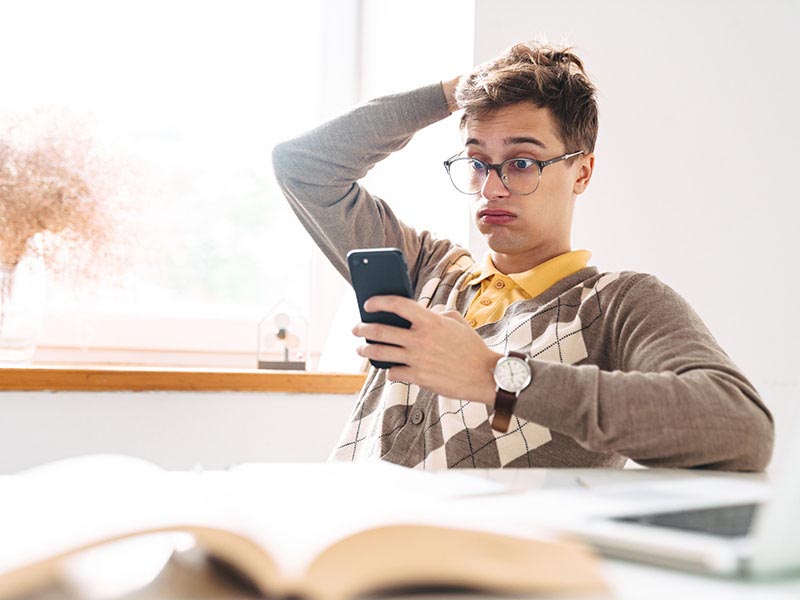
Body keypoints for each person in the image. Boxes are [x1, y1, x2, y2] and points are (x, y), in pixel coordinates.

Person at [272, 42, 773, 471]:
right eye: (477, 161)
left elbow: (740, 428)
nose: (491, 187)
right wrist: (451, 93)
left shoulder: (617, 304)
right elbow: (302, 166)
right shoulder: (426, 268)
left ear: (581, 172)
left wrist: (495, 376)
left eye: (522, 162)